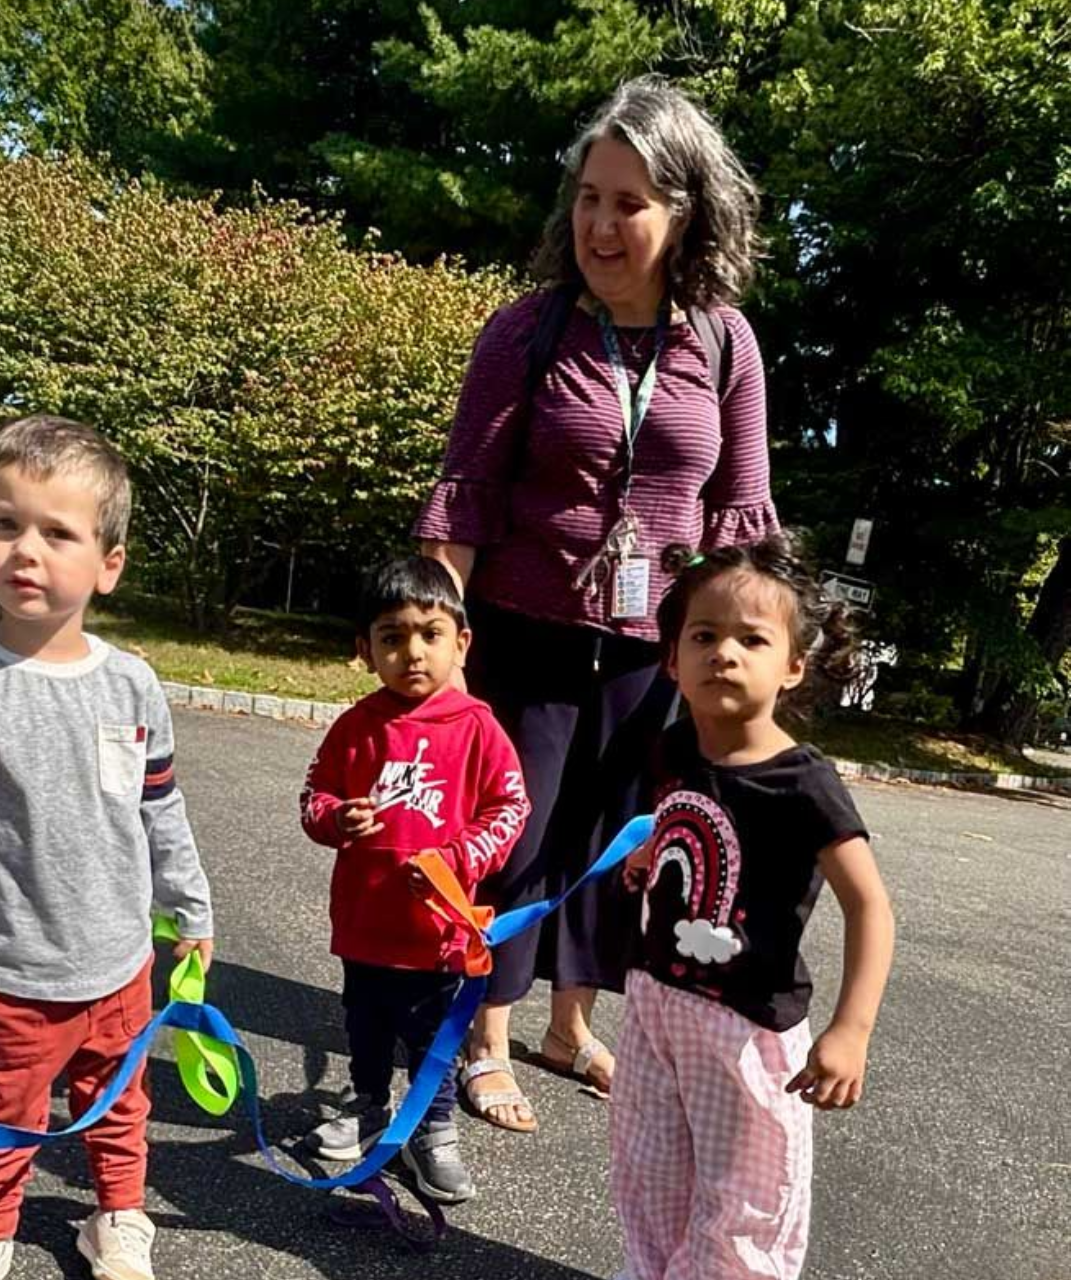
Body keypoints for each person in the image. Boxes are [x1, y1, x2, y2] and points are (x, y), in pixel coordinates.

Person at [414, 75, 775, 1131]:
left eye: (629, 203)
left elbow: (742, 519)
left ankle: (569, 1023)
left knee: (615, 844)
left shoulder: (724, 343)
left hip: (650, 651)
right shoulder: (526, 333)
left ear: (686, 213)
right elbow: (462, 503)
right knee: (514, 841)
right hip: (523, 633)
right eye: (588, 197)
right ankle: (486, 1036)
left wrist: (737, 669)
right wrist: (436, 659)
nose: (600, 224)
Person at [0, 415, 215, 1280]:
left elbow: (160, 806)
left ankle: (117, 1217)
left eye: (56, 532)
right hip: (5, 968)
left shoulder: (133, 681)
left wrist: (190, 907)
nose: (25, 549)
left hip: (120, 962)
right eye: (5, 523)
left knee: (119, 1108)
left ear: (107, 565)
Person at [612, 535, 894, 1279]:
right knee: (650, 1170)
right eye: (702, 636)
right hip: (654, 1003)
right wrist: (647, 860)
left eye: (751, 639)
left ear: (793, 665)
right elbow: (681, 824)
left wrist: (851, 1031)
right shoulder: (674, 749)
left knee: (749, 1196)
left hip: (745, 1031)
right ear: (671, 657)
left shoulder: (803, 782)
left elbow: (870, 908)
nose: (724, 654)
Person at [297, 557, 530, 1205]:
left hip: (440, 931)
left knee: (432, 1037)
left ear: (462, 643)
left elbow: (511, 808)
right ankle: (368, 1104)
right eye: (391, 637)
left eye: (430, 634)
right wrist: (337, 818)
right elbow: (314, 797)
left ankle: (434, 1128)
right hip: (366, 925)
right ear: (364, 650)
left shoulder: (478, 727)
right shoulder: (357, 727)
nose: (412, 652)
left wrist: (460, 856)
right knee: (364, 1025)